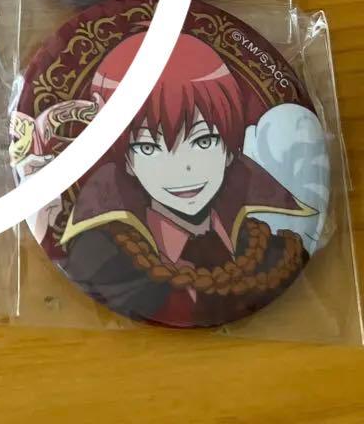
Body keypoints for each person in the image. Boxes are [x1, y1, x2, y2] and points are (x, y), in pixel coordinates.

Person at [19, 33, 315, 327]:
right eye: (149, 148)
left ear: (230, 150)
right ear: (126, 162)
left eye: (203, 141)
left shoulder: (274, 254)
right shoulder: (100, 257)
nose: (183, 169)